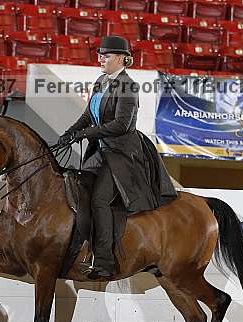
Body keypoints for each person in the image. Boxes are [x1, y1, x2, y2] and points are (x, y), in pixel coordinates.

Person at [57, 35, 176, 279]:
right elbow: (88, 115)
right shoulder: (101, 81)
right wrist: (70, 132)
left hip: (121, 155)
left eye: (106, 55)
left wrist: (85, 134)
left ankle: (104, 262)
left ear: (122, 59)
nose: (101, 59)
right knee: (77, 190)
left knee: (100, 200)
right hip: (99, 152)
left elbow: (122, 124)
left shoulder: (128, 86)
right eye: (100, 55)